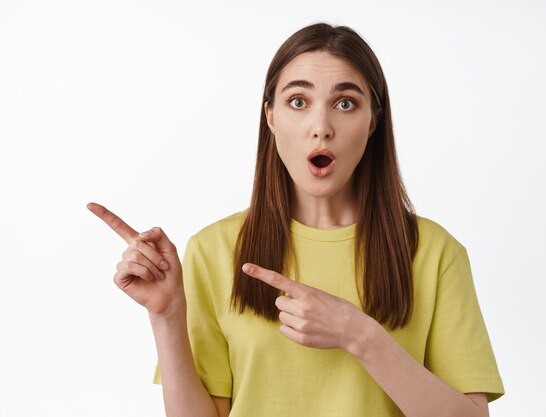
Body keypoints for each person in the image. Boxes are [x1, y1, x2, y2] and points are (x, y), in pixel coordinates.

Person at [88, 22, 504, 417]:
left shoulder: (433, 252)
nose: (321, 127)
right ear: (270, 117)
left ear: (373, 120)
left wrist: (360, 336)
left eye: (345, 103)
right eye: (298, 102)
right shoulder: (213, 250)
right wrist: (166, 316)